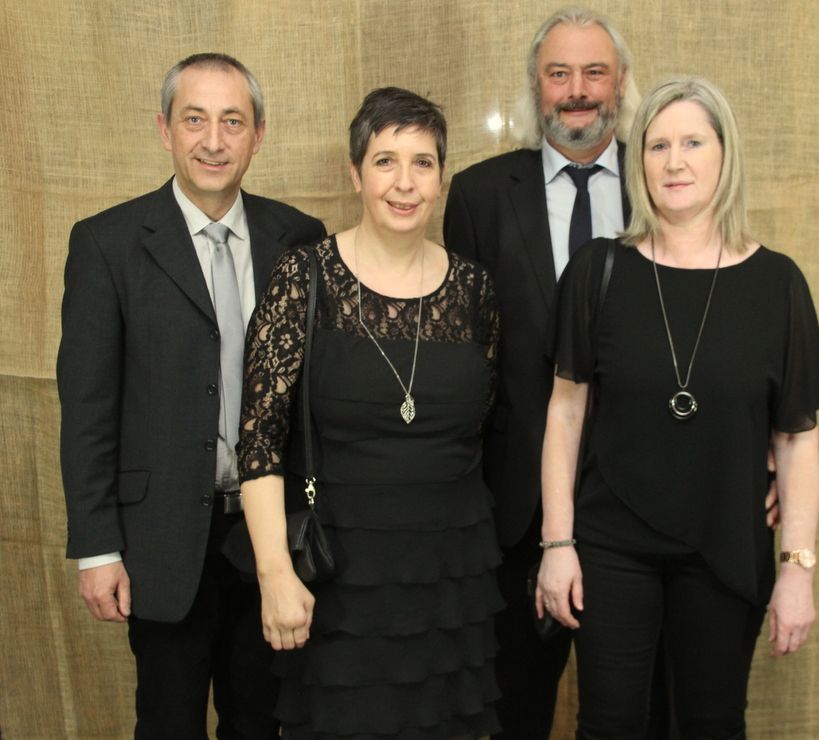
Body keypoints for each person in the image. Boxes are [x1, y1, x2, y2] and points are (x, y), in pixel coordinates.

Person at [444, 9, 777, 737]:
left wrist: (762, 455)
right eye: (558, 73)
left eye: (594, 72)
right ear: (535, 85)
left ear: (621, 82)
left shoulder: (663, 177)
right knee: (512, 712)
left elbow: (725, 339)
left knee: (653, 714)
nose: (577, 90)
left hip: (655, 510)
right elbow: (463, 362)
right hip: (520, 515)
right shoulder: (478, 195)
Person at [536, 76, 819, 739]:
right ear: (638, 162)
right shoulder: (598, 270)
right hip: (611, 547)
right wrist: (557, 544)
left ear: (725, 154)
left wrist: (798, 569)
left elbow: (797, 438)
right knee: (609, 725)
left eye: (693, 142)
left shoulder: (777, 283)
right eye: (658, 145)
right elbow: (564, 416)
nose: (675, 162)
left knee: (712, 723)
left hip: (726, 545)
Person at [57, 53, 325, 739]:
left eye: (232, 121)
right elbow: (87, 410)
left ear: (258, 135)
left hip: (271, 536)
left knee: (260, 721)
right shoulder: (107, 244)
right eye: (195, 120)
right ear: (164, 129)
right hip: (161, 540)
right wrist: (97, 549)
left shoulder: (299, 239)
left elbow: (314, 398)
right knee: (168, 722)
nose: (213, 141)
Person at [238, 87, 502, 739]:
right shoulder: (303, 277)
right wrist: (274, 574)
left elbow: (486, 427)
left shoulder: (475, 289)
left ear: (441, 177)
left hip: (451, 579)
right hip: (338, 582)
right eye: (386, 161)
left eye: (422, 163)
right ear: (355, 174)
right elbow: (259, 442)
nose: (404, 183)